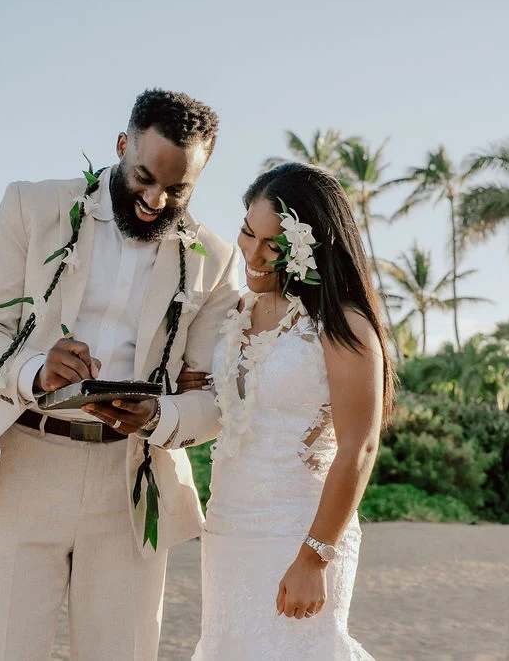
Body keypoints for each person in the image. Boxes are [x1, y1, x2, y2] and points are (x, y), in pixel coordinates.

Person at [0, 89, 240, 660]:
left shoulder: (215, 259)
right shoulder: (33, 207)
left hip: (131, 479)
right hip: (24, 463)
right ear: (122, 145)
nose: (156, 199)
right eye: (145, 176)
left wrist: (160, 414)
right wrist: (34, 369)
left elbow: (217, 399)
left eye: (178, 188)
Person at [177, 162, 394, 660]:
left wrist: (314, 557)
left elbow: (359, 447)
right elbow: (251, 398)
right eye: (248, 234)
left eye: (273, 246)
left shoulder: (343, 326)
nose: (253, 254)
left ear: (311, 247)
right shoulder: (236, 311)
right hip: (228, 528)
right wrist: (211, 381)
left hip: (298, 530)